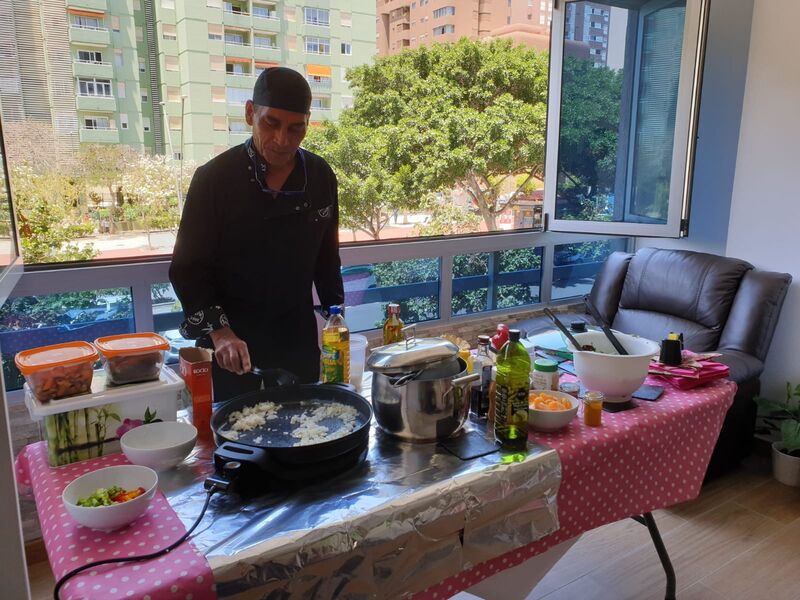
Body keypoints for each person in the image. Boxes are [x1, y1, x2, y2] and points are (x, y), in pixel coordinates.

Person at [169, 67, 344, 402]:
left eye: (295, 128)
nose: (282, 140)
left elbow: (326, 257)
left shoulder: (320, 176)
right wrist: (220, 333)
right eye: (271, 123)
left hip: (295, 335)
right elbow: (188, 269)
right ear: (250, 113)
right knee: (234, 424)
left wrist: (335, 316)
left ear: (307, 124)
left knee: (305, 420)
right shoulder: (214, 179)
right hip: (231, 341)